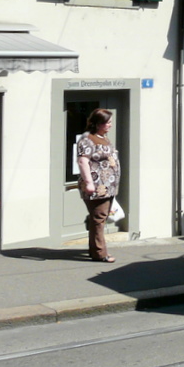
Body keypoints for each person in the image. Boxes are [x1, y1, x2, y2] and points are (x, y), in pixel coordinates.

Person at [76, 108, 121, 263]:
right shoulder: (87, 139)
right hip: (97, 186)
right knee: (98, 218)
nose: (110, 125)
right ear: (98, 123)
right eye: (107, 122)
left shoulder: (102, 137)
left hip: (107, 187)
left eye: (110, 122)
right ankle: (100, 253)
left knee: (98, 218)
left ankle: (95, 249)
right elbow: (83, 161)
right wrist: (89, 183)